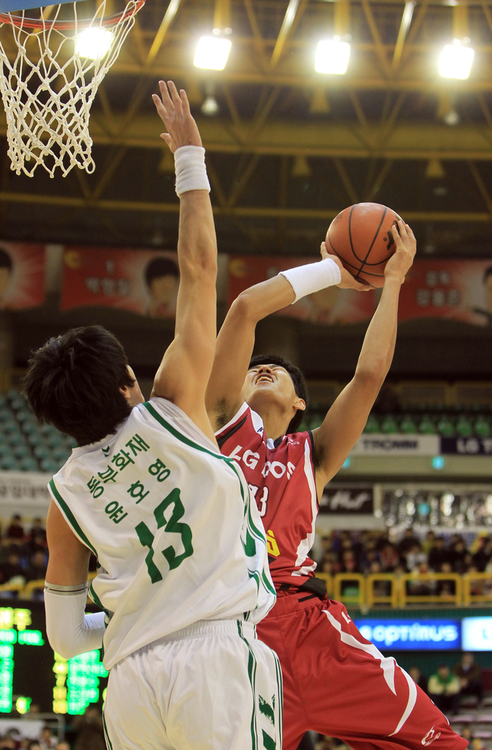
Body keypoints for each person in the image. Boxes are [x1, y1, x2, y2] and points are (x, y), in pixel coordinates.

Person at [24, 81, 281, 750]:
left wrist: (137, 621)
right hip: (218, 663)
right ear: (126, 386)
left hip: (131, 682)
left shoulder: (64, 497)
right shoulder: (170, 408)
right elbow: (199, 269)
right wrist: (190, 154)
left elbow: (61, 639)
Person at [206, 221, 467, 750]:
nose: (264, 368)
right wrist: (330, 273)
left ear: (300, 403)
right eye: (255, 366)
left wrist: (392, 282)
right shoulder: (217, 430)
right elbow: (241, 313)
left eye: (276, 369)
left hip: (311, 628)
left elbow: (368, 376)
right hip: (233, 633)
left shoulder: (313, 453)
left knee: (438, 741)